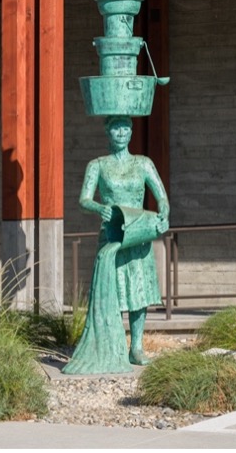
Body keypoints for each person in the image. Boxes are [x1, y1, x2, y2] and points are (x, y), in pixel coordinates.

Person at [62, 115, 169, 374]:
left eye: (125, 127)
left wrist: (163, 213)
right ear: (107, 131)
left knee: (138, 289)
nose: (121, 133)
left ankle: (137, 346)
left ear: (131, 132)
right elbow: (83, 199)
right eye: (116, 128)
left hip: (138, 231)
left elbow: (162, 196)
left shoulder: (143, 163)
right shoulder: (97, 165)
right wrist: (101, 207)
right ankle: (115, 344)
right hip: (112, 234)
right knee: (114, 288)